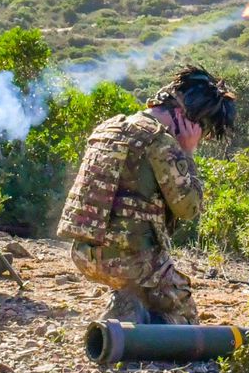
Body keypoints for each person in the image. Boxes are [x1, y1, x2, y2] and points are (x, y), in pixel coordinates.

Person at [57, 66, 236, 324]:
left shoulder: (109, 127)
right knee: (185, 321)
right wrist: (187, 154)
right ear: (187, 118)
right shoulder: (160, 142)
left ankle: (128, 301)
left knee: (144, 292)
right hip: (132, 263)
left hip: (84, 255)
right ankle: (131, 315)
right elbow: (189, 208)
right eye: (202, 128)